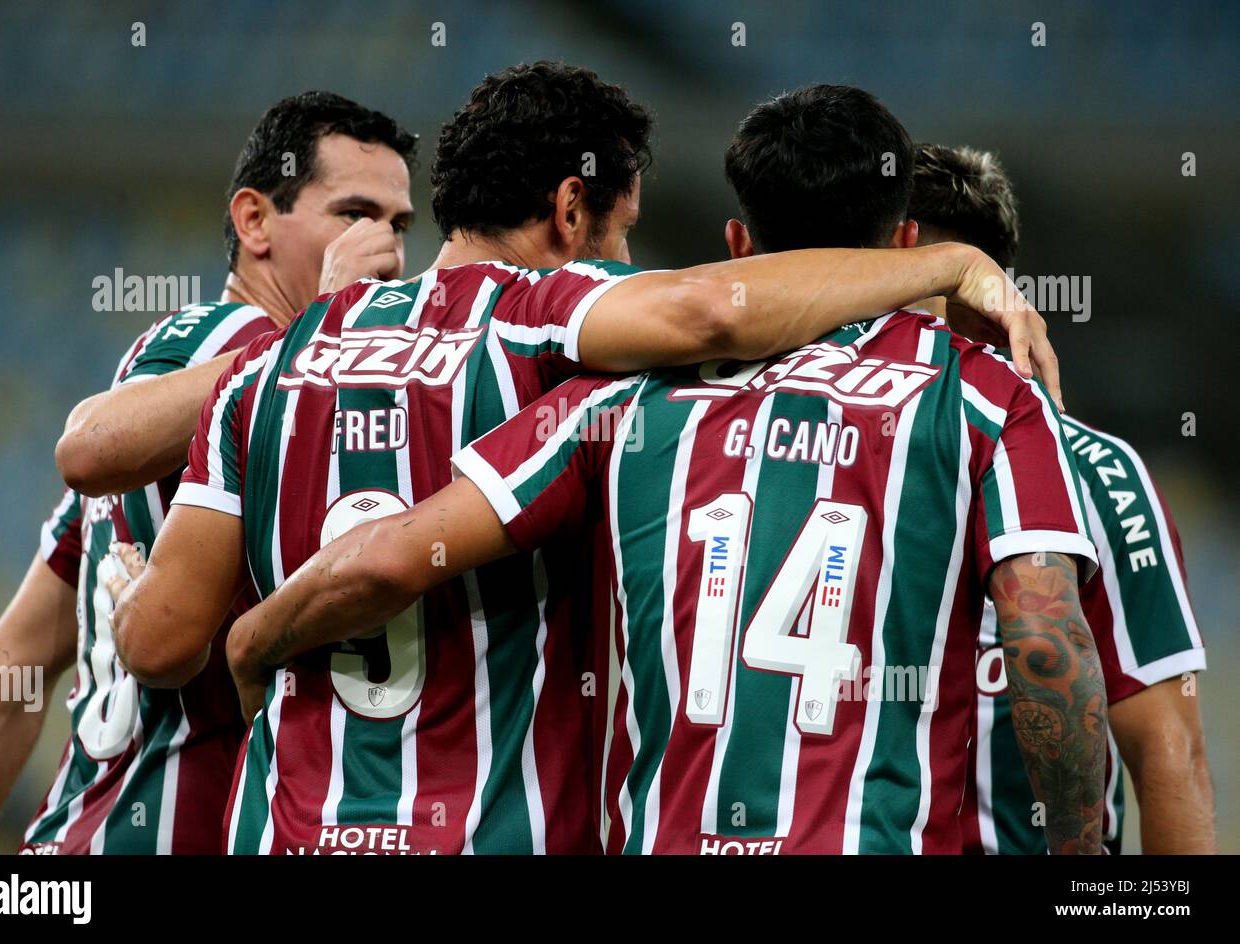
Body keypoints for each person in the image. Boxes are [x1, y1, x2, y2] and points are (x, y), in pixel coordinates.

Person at [109, 66, 1056, 855]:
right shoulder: (552, 330)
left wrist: (216, 626)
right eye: (624, 227)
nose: (630, 256)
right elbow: (716, 311)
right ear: (572, 210)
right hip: (495, 830)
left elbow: (155, 645)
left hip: (284, 829)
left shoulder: (271, 364)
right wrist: (946, 266)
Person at [0, 90, 417, 854]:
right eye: (353, 216)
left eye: (398, 224)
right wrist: (310, 339)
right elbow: (90, 448)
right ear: (254, 220)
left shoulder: (260, 400)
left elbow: (11, 661)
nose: (385, 248)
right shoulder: (232, 342)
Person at [907, 142, 1215, 854]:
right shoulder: (825, 447)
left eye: (911, 297)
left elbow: (1168, 748)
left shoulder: (1099, 473)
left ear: (989, 312)